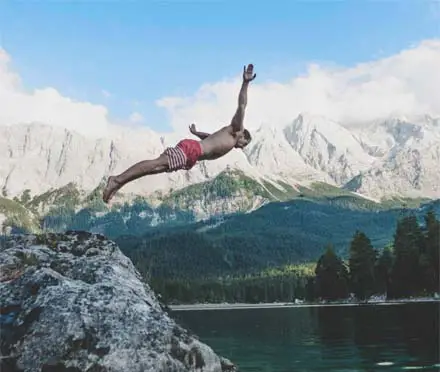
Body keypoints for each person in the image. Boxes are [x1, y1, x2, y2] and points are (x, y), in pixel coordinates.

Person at [102, 63, 256, 203]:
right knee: (156, 164)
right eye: (245, 143)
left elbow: (210, 138)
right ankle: (116, 180)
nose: (242, 147)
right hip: (192, 150)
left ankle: (118, 183)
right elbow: (242, 105)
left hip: (192, 153)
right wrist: (245, 83)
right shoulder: (236, 130)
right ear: (243, 135)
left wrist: (197, 133)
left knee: (156, 169)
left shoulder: (228, 138)